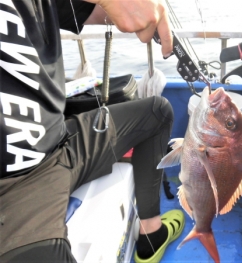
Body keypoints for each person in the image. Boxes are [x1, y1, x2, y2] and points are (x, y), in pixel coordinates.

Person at [0, 0, 185, 262]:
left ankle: (151, 234)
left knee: (157, 112)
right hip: (15, 189)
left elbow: (103, 13)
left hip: (60, 145)